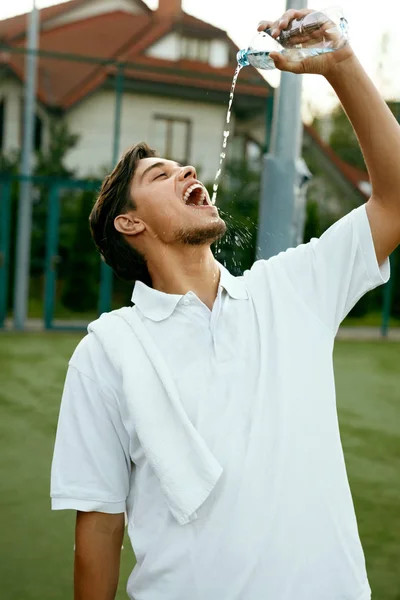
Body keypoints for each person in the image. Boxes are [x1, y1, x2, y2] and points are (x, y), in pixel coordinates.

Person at [51, 8, 400, 600]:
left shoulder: (292, 290)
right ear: (129, 222)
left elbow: (394, 201)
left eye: (179, 164)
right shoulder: (107, 353)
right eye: (160, 174)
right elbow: (101, 529)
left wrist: (340, 64)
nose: (186, 167)